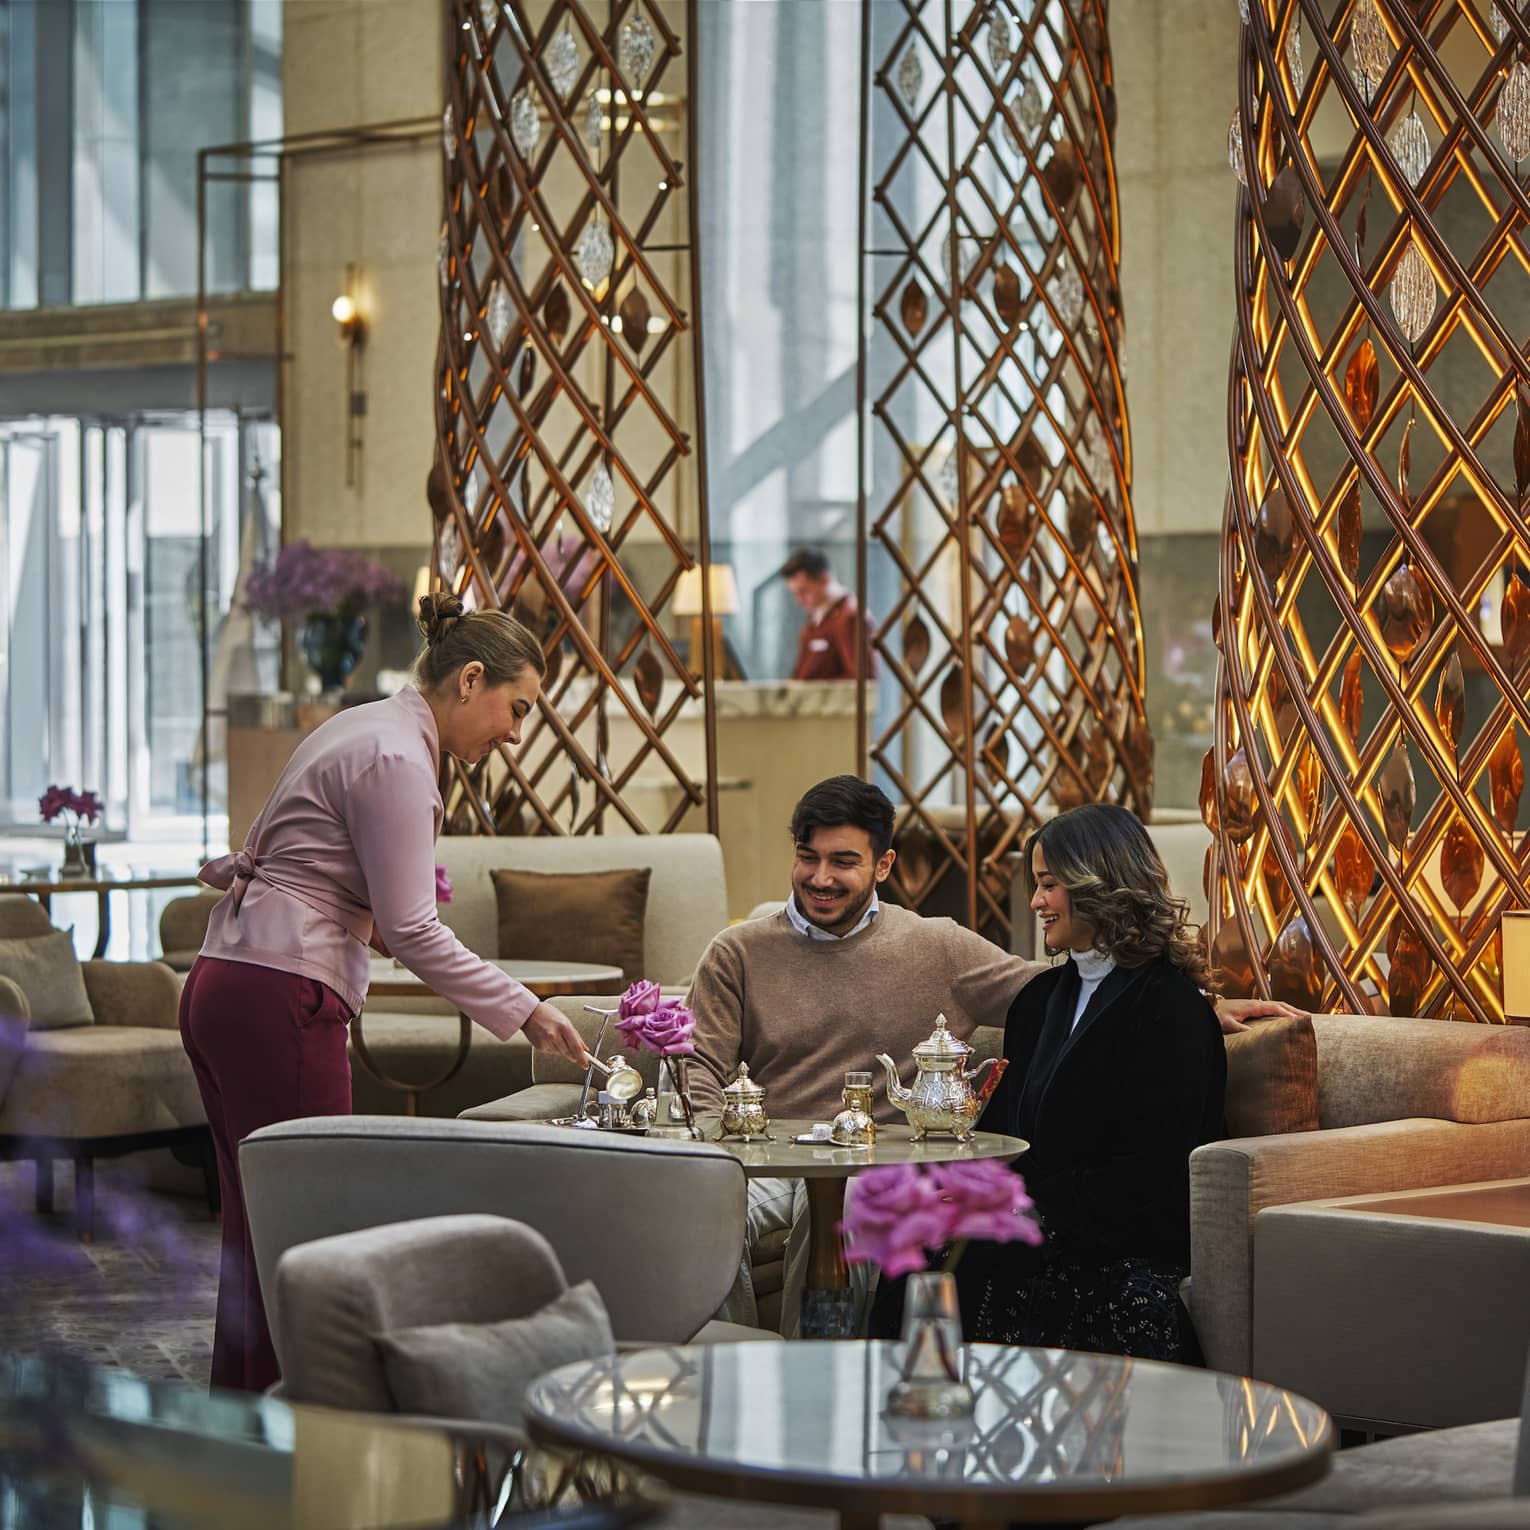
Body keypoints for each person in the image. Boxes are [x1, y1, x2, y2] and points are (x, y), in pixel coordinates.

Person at [686, 777, 1295, 1334]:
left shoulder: (940, 948)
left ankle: (826, 1381)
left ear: (883, 865)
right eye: (808, 857)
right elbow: (700, 1067)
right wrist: (721, 1156)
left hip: (882, 1163)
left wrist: (1204, 1002)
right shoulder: (737, 952)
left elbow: (1099, 1001)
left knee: (861, 1208)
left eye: (843, 861)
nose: (821, 877)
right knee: (696, 1205)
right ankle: (718, 1371)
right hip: (764, 1157)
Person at [180, 593, 587, 1393]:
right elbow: (414, 931)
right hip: (278, 996)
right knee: (312, 1226)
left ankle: (250, 1418)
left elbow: (331, 880)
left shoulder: (361, 726)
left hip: (223, 981)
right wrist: (528, 1010)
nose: (516, 734)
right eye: (517, 709)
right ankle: (316, 1423)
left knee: (257, 1227)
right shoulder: (401, 760)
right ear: (470, 679)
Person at [939, 803, 1226, 1362]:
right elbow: (1005, 1134)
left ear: (1099, 884)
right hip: (1037, 1222)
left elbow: (1156, 1168)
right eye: (1037, 885)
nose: (1036, 902)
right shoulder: (1036, 1001)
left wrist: (1034, 1211)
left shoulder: (1171, 1009)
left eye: (1049, 885)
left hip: (1127, 1237)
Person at [782, 549, 877, 681]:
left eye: (804, 591)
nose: (799, 600)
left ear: (824, 579)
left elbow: (861, 679)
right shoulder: (817, 618)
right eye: (795, 593)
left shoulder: (850, 617)